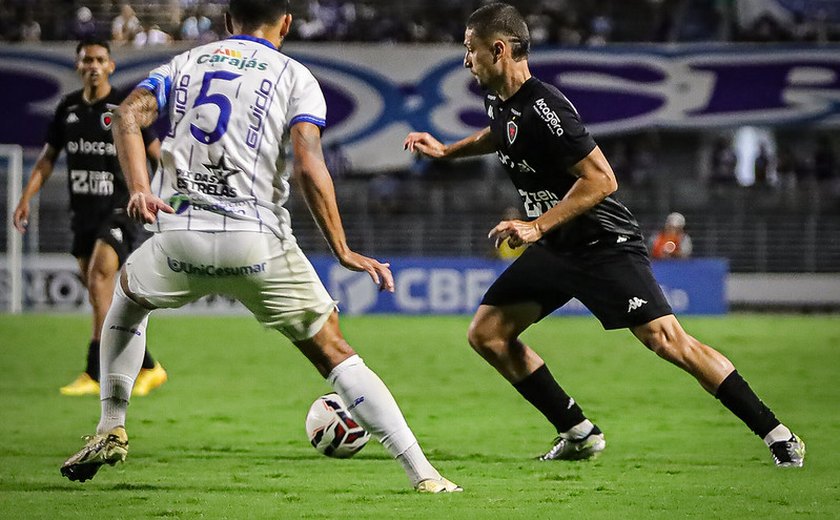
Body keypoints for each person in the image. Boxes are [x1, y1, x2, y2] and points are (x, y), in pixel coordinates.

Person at [60, 0, 460, 493]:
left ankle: (110, 426)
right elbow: (310, 165)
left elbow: (124, 116)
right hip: (256, 243)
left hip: (179, 236)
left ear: (228, 22)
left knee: (126, 297)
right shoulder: (296, 76)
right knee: (334, 352)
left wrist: (140, 187)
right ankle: (424, 474)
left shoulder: (185, 64)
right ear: (286, 23)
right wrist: (342, 249)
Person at [404, 2, 804, 468]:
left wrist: (535, 226)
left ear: (499, 49)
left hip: (601, 243)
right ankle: (578, 433)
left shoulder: (546, 107)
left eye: (470, 50)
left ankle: (778, 434)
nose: (466, 60)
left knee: (668, 341)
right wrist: (448, 150)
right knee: (489, 334)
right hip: (556, 245)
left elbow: (601, 179)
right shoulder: (499, 99)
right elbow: (500, 133)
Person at [13, 38, 168, 397]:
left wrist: (157, 194)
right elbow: (48, 158)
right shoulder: (67, 109)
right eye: (87, 60)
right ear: (78, 66)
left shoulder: (125, 109)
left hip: (120, 210)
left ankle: (95, 370)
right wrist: (25, 198)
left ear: (111, 66)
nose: (94, 65)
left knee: (100, 280)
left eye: (100, 59)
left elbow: (158, 155)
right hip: (83, 213)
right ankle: (148, 364)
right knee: (102, 296)